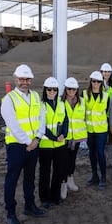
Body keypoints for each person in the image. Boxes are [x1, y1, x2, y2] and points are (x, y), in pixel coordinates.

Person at [1, 64, 46, 224]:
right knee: (11, 180)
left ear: (31, 80)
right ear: (16, 79)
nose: (25, 82)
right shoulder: (9, 99)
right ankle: (10, 213)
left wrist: (37, 138)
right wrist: (29, 142)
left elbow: (42, 118)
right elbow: (12, 125)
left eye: (27, 79)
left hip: (33, 144)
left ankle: (29, 205)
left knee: (29, 178)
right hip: (16, 146)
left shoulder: (35, 96)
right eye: (22, 79)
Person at [38, 77, 69, 205]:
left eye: (54, 90)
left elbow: (66, 121)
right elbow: (41, 126)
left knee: (58, 171)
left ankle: (55, 196)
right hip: (46, 144)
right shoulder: (41, 105)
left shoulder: (61, 104)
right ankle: (44, 198)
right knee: (45, 172)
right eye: (49, 89)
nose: (52, 92)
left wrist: (64, 134)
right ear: (45, 90)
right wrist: (54, 137)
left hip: (60, 145)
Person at [83, 71, 109, 190]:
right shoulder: (84, 94)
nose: (96, 84)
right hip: (89, 130)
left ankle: (103, 177)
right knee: (91, 153)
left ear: (101, 83)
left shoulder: (105, 95)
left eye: (98, 81)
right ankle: (95, 175)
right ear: (91, 82)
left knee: (100, 152)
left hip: (101, 130)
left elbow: (107, 111)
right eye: (94, 81)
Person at [61, 77, 87, 192]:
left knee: (72, 160)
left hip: (76, 138)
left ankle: (70, 180)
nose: (72, 91)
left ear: (77, 89)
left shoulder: (82, 102)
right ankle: (63, 183)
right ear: (66, 89)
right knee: (64, 161)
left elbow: (84, 118)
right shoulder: (60, 102)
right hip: (65, 138)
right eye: (69, 89)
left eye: (74, 89)